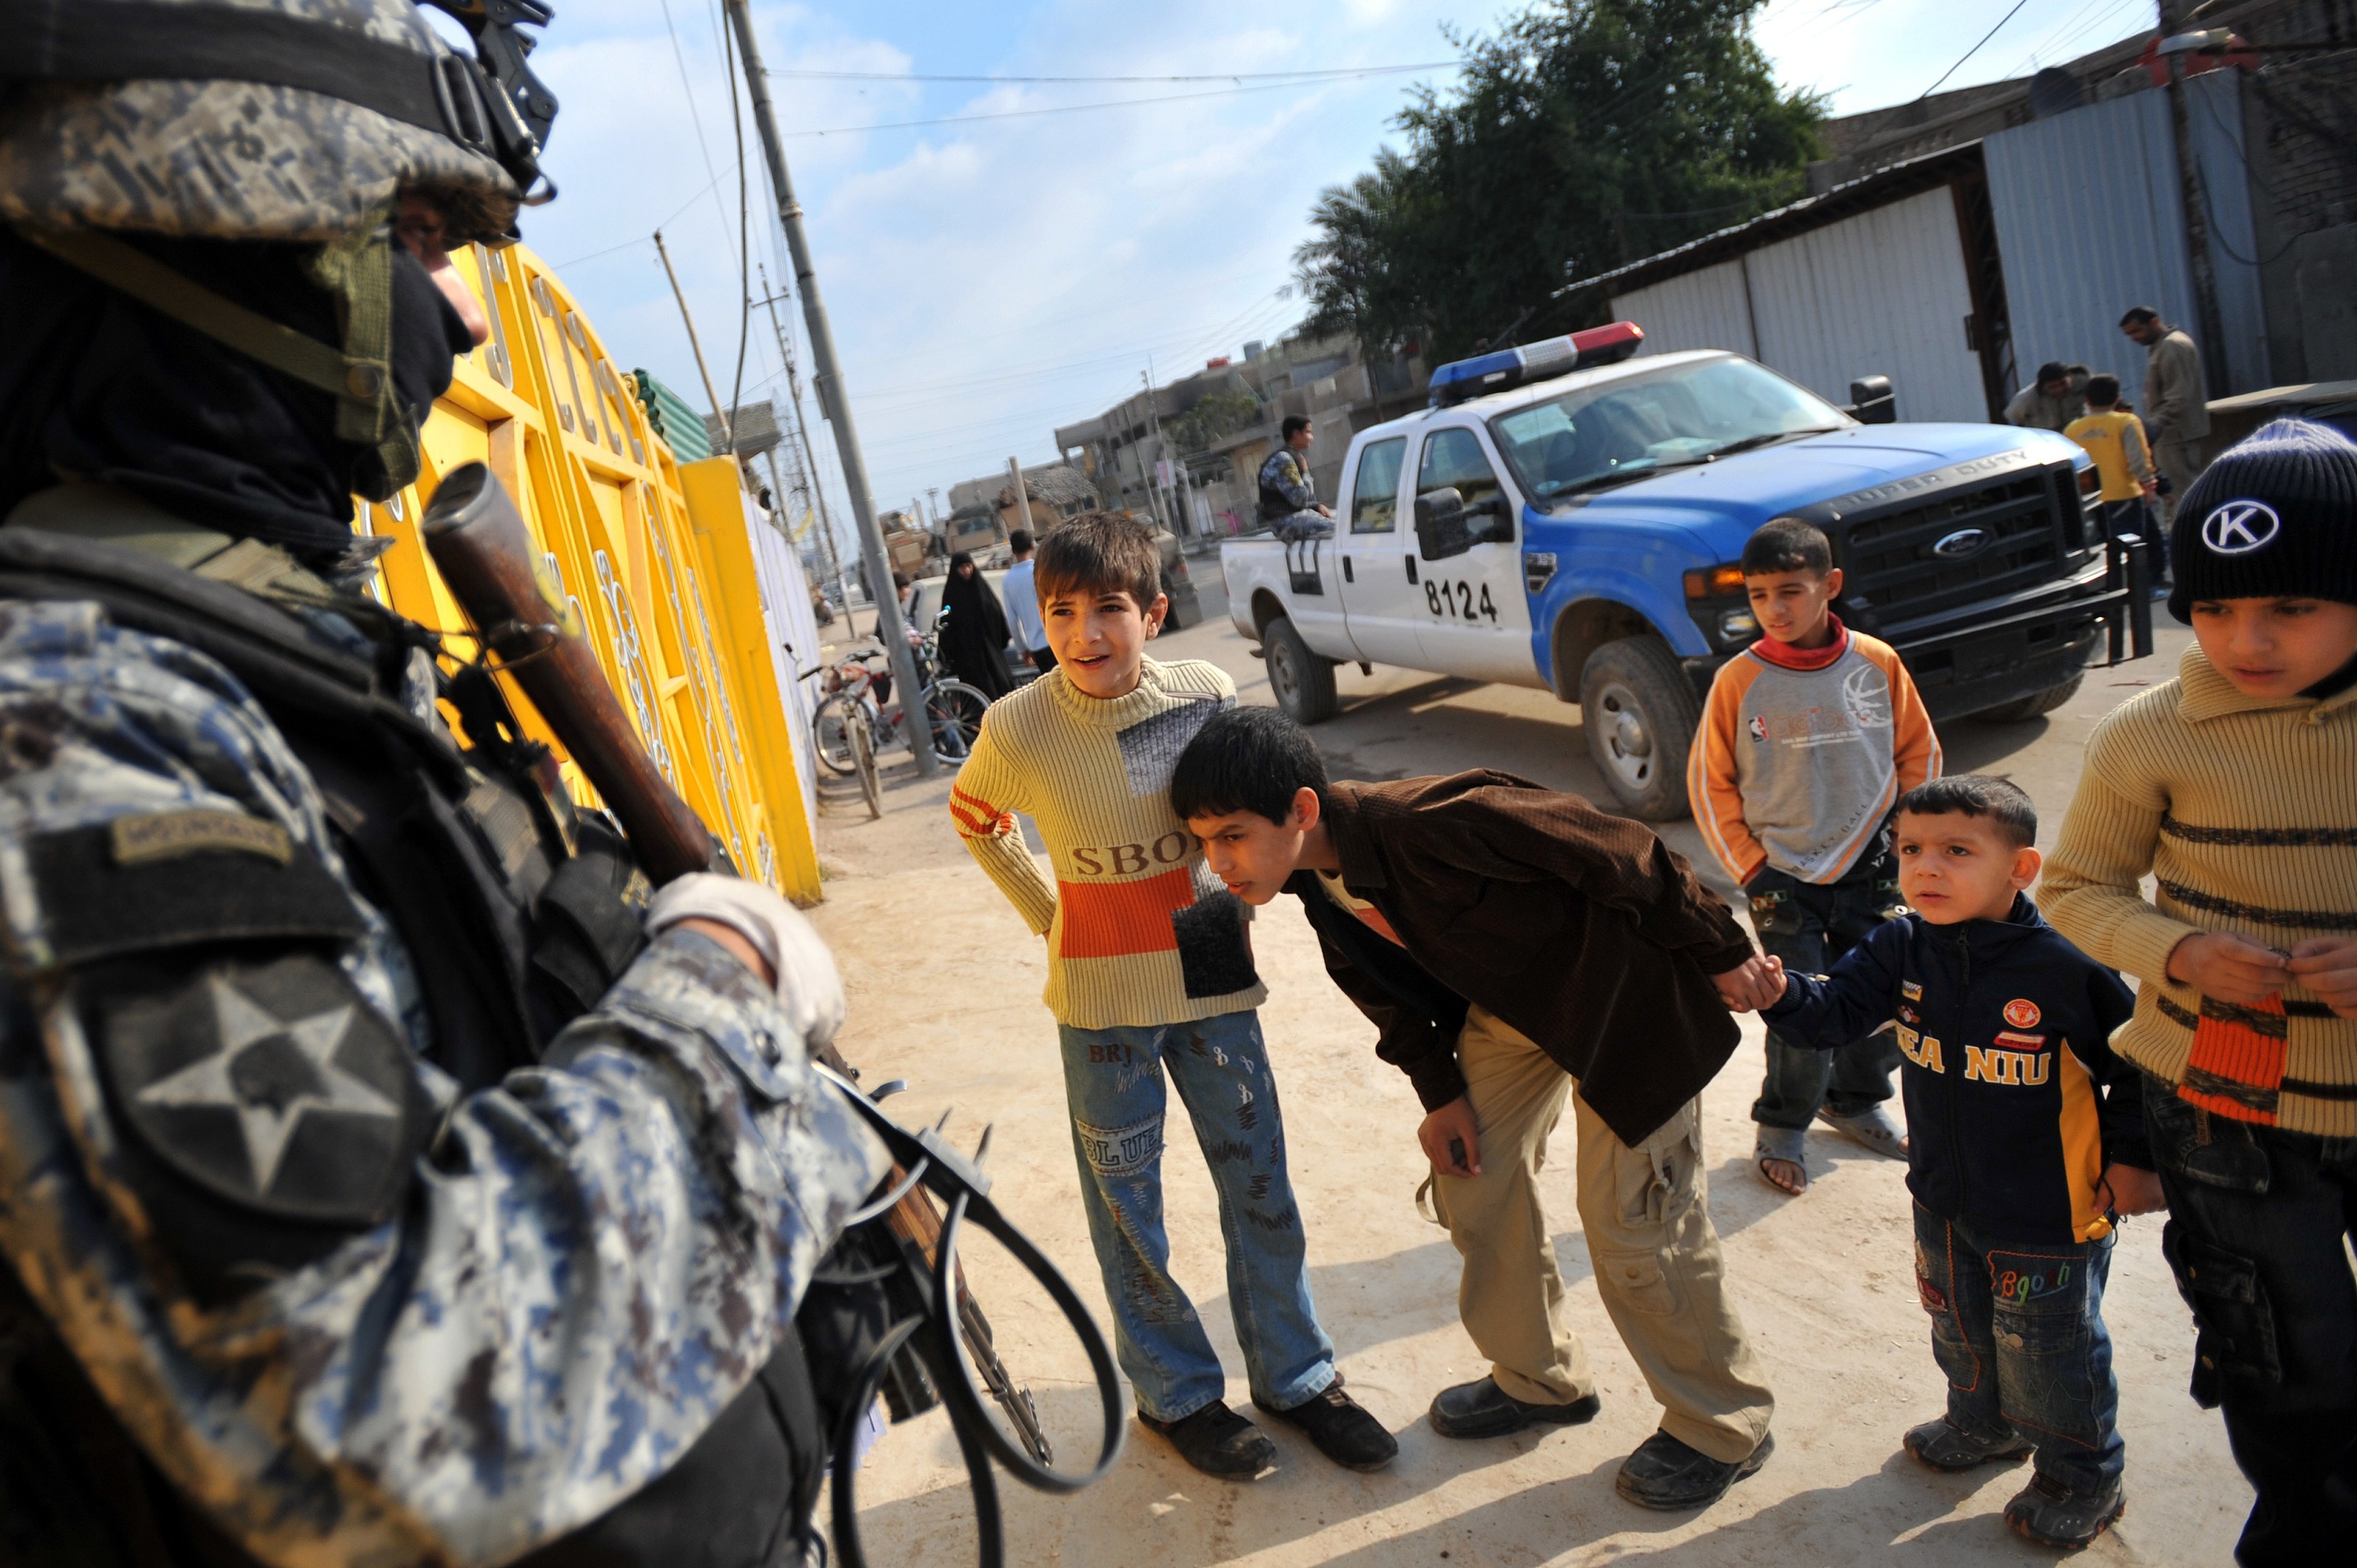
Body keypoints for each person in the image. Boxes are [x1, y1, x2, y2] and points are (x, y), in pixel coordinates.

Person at [0, 4, 890, 1564]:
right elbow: (375, 1402)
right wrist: (729, 985)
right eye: (408, 240)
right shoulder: (65, 730)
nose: (464, 325)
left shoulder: (257, 646)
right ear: (204, 247)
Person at [1173, 707, 1783, 1512]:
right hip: (1515, 1017)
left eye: (1232, 835)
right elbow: (1385, 998)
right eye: (1205, 842)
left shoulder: (1437, 818)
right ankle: (1541, 1378)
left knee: (1634, 1222)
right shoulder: (1317, 886)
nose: (1219, 863)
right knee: (1472, 1181)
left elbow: (1626, 851)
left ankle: (1724, 1424)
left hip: (1623, 1010)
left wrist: (1723, 946)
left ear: (1303, 810)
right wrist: (1442, 1097)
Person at [946, 513, 1391, 1480]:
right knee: (1128, 1207)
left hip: (1209, 966)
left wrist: (1237, 884)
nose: (1084, 635)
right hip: (1098, 994)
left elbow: (1239, 813)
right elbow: (975, 817)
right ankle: (1177, 1397)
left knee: (1258, 1182)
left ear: (1151, 612)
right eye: (1061, 612)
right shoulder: (1016, 725)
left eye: (1108, 609)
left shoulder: (1205, 695)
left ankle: (1298, 1376)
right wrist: (1047, 914)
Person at [2041, 417, 2357, 1567]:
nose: (2245, 641)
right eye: (2215, 609)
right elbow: (2075, 889)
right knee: (2281, 1359)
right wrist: (2174, 953)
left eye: (2287, 608)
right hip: (2229, 1111)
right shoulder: (2151, 733)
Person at [1758, 775, 2159, 1550]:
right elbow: (1833, 1014)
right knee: (1958, 1321)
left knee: (2049, 1349)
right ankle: (1984, 1426)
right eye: (1910, 850)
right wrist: (1778, 994)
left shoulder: (2065, 965)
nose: (1927, 869)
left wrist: (2138, 1162)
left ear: (2021, 868)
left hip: (2050, 1211)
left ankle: (2084, 1473)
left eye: (1956, 851)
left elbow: (2142, 1063)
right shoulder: (1899, 944)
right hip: (1941, 1195)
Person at [1687, 518, 1941, 1197]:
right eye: (1760, 595)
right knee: (1796, 1004)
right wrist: (1750, 865)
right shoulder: (1738, 681)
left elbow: (1920, 756)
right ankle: (1783, 1122)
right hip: (1782, 877)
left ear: (1830, 585)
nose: (1775, 608)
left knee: (1888, 995)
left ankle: (1855, 1100)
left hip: (1875, 866)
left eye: (1791, 591)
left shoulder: (1877, 663)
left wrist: (1912, 848)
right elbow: (1709, 782)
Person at [2063, 375, 2163, 581]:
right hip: (2124, 494)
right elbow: (2138, 458)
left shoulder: (2072, 429)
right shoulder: (2127, 421)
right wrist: (2149, 484)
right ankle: (2143, 587)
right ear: (2118, 398)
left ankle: (2111, 587)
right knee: (2133, 547)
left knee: (2102, 549)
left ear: (2087, 401)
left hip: (2090, 500)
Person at [2120, 306, 2211, 526]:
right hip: (2173, 433)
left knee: (2185, 492)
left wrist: (2154, 427)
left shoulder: (2172, 346)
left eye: (2138, 331)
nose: (2135, 338)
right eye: (2130, 334)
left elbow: (2178, 396)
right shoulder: (2163, 347)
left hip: (2177, 433)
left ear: (2154, 322)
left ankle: (2192, 538)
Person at [937, 550, 1014, 699]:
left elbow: (997, 614)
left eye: (969, 566)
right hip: (969, 659)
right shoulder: (952, 595)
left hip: (992, 653)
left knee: (1002, 692)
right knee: (979, 697)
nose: (966, 571)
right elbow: (946, 625)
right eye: (962, 568)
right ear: (955, 570)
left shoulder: (982, 589)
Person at [1258, 415, 1333, 541]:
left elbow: (1299, 501)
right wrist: (1305, 472)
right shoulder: (1284, 460)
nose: (1312, 437)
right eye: (1308, 432)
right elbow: (1301, 498)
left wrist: (1316, 505)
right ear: (1297, 434)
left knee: (1343, 519)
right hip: (1284, 523)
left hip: (1294, 517)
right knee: (1340, 529)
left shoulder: (1290, 457)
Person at [1002, 526, 1054, 673]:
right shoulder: (1041, 570)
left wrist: (1022, 649)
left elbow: (1012, 621)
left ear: (1013, 551)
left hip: (1035, 646)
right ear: (1033, 546)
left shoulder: (1008, 581)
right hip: (1055, 639)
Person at [2004, 361, 2092, 432]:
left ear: (2070, 376)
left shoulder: (2088, 385)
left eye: (2063, 383)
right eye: (2052, 387)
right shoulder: (2027, 399)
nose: (2059, 389)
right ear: (2042, 386)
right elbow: (2013, 416)